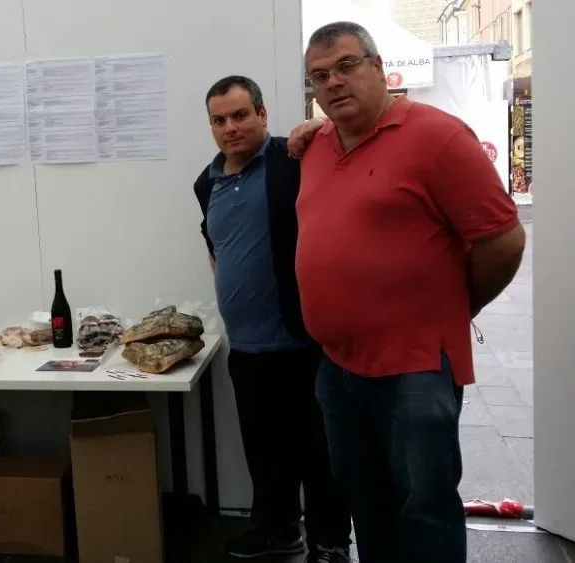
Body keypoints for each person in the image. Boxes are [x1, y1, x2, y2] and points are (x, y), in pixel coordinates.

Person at [293, 22, 526, 563]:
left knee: (423, 508)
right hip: (338, 366)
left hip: (416, 366)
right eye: (320, 76)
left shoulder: (438, 137)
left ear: (378, 68)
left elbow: (503, 240)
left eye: (347, 66)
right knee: (365, 500)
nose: (333, 83)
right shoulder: (315, 145)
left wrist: (455, 305)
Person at [193, 75, 352, 562]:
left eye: (241, 115)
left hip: (302, 341)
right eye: (219, 120)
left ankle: (330, 544)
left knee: (318, 453)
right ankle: (279, 531)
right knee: (265, 454)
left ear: (262, 114)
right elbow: (217, 247)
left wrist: (313, 128)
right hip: (246, 347)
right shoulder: (207, 182)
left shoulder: (293, 160)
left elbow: (343, 144)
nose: (230, 128)